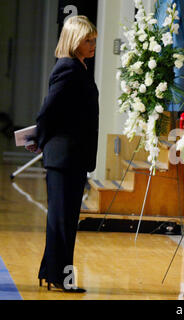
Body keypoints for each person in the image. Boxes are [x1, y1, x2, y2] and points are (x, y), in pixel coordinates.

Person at [26, 15, 99, 293]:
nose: (92, 44)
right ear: (73, 41)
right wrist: (39, 139)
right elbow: (48, 111)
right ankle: (60, 277)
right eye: (87, 40)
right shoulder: (68, 68)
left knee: (64, 219)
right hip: (65, 156)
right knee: (62, 220)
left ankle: (51, 272)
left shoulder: (77, 66)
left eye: (93, 40)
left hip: (72, 156)